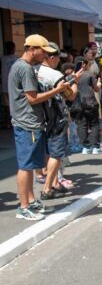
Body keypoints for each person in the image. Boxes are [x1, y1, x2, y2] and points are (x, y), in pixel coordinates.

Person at [9, 35, 70, 220]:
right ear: (32, 49)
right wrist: (57, 90)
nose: (45, 54)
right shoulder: (25, 69)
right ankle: (24, 206)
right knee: (26, 166)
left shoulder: (20, 66)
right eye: (43, 50)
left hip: (27, 122)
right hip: (27, 123)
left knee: (31, 164)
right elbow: (32, 98)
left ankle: (31, 200)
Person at [37, 43, 80, 199]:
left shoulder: (34, 70)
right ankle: (47, 188)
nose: (59, 62)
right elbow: (70, 95)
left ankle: (55, 183)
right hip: (56, 117)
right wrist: (74, 82)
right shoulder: (54, 75)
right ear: (52, 57)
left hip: (41, 117)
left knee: (48, 152)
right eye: (58, 58)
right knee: (56, 153)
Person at [76, 57, 102, 154]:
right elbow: (96, 89)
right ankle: (95, 147)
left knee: (83, 125)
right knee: (94, 125)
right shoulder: (89, 75)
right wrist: (99, 84)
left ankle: (85, 147)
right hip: (91, 102)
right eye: (88, 64)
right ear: (83, 65)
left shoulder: (73, 76)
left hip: (79, 103)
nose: (89, 66)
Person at [1, 40, 17, 128]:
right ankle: (13, 121)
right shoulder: (17, 59)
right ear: (14, 48)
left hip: (5, 86)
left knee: (6, 107)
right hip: (14, 86)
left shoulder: (2, 59)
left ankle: (8, 123)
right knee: (15, 104)